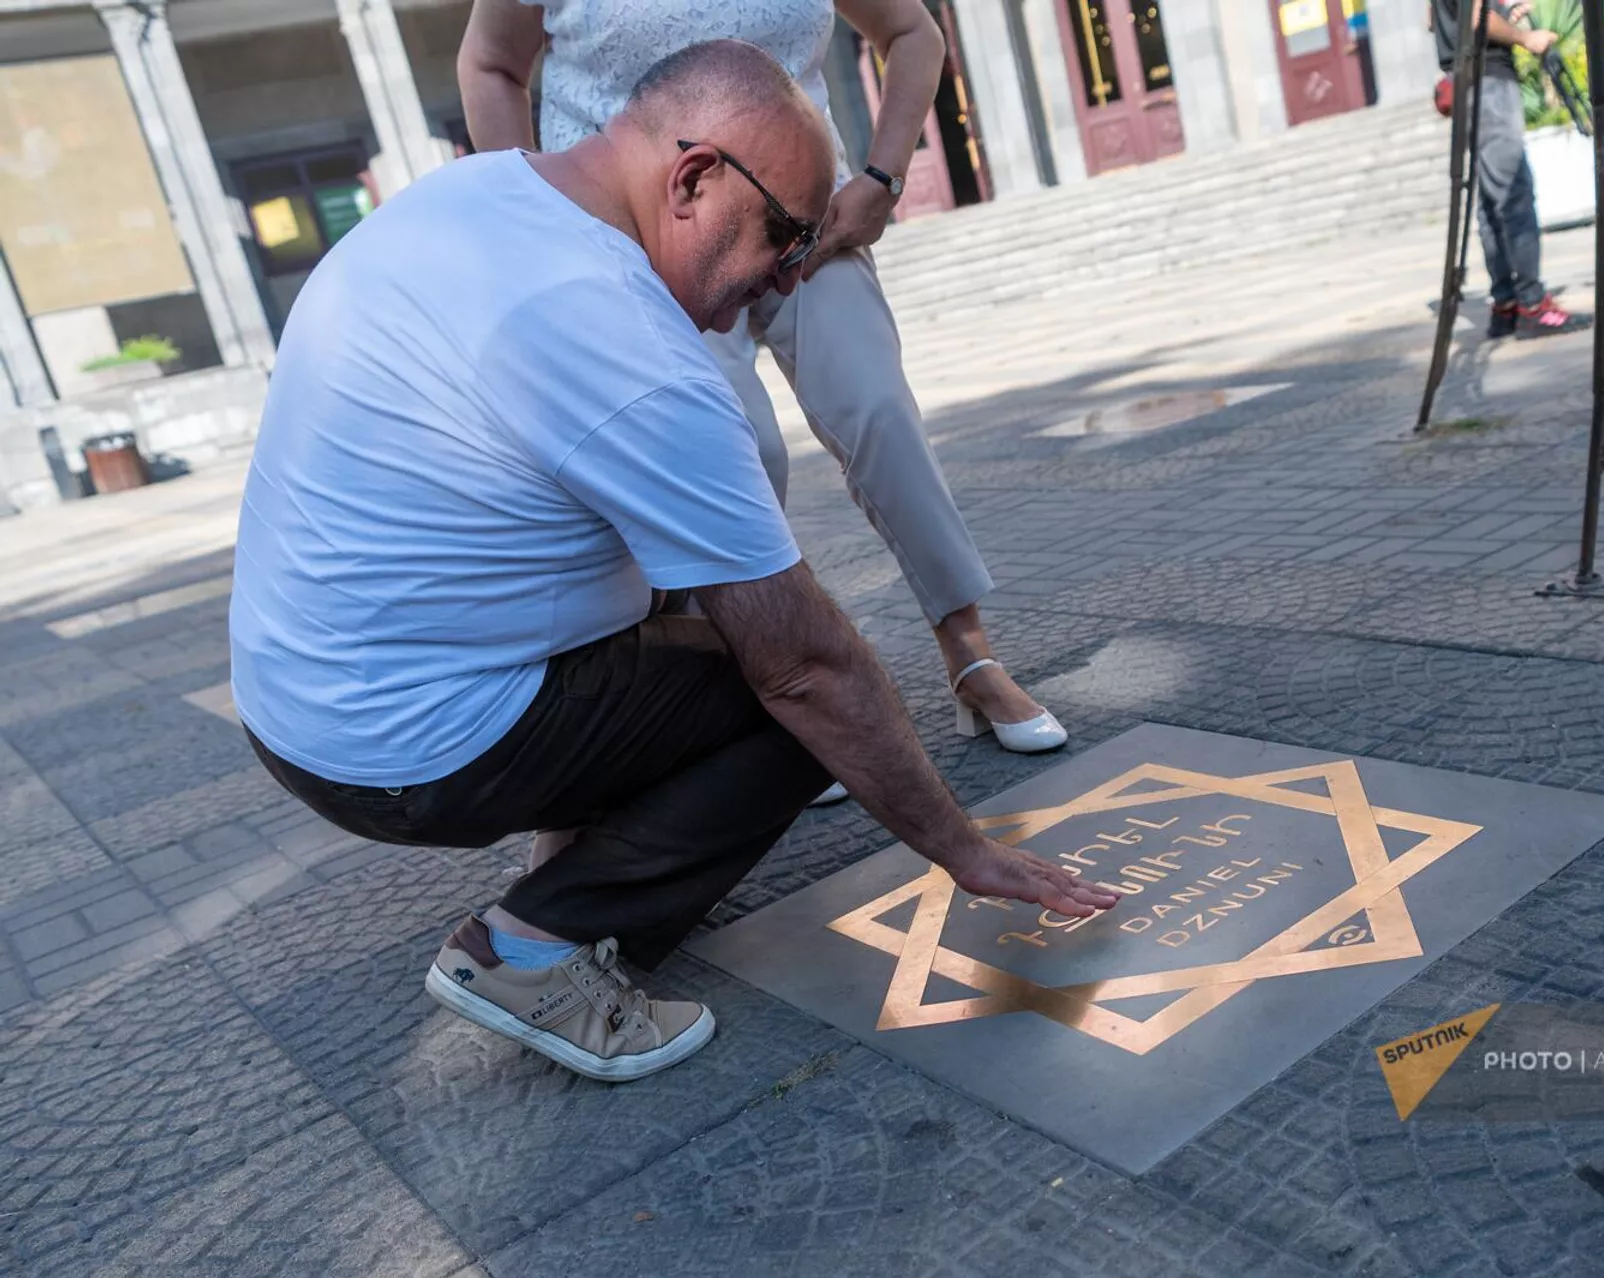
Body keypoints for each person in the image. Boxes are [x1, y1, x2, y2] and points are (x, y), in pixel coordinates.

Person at [229, 40, 1116, 1084]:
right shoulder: (629, 347)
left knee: (680, 617)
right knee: (797, 714)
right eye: (785, 238)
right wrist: (965, 850)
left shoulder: (469, 201)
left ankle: (567, 859)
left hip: (299, 706)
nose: (781, 281)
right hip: (404, 749)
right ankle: (533, 951)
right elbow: (809, 671)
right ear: (694, 179)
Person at [458, 0, 1068, 772]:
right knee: (735, 452)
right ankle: (772, 698)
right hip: (645, 241)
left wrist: (882, 174)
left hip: (806, 216)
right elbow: (489, 66)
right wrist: (546, 223)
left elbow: (914, 33)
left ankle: (972, 658)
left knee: (877, 411)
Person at [1430, 0, 1585, 339]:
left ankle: (1506, 305)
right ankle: (1533, 305)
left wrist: (1500, 10)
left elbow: (1433, 20)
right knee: (1514, 195)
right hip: (1488, 80)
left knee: (1490, 201)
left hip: (1464, 81)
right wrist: (1524, 37)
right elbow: (1475, 20)